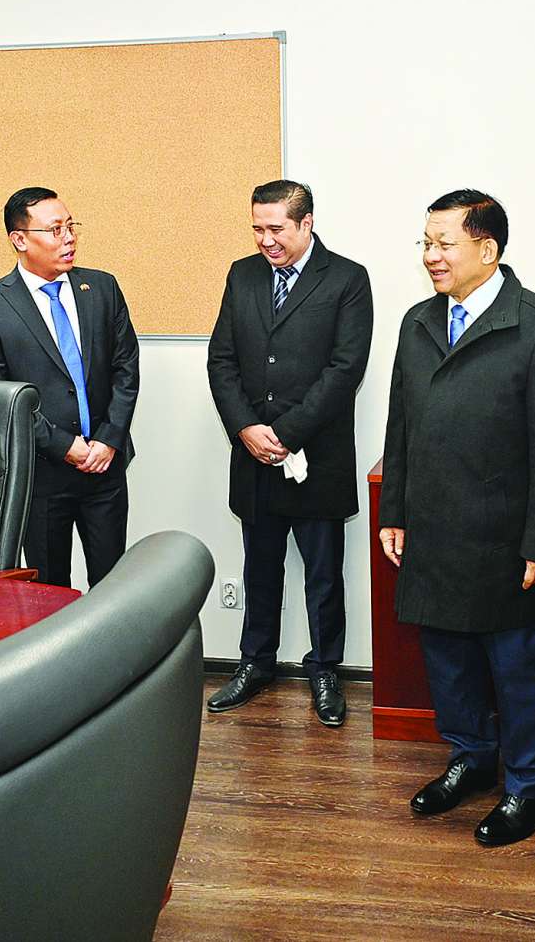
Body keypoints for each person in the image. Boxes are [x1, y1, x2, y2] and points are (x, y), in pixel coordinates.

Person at [379, 189, 535, 846]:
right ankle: (471, 757)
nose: (431, 256)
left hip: (504, 539)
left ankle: (531, 785)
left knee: (517, 668)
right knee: (448, 662)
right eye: (426, 243)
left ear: (487, 249)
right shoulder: (418, 322)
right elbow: (401, 424)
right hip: (433, 531)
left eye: (444, 243)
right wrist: (394, 510)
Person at [206, 180, 373, 726]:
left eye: (276, 228)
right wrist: (246, 429)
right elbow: (221, 360)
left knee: (323, 575)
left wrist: (286, 433)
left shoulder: (346, 279)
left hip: (316, 458)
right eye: (257, 229)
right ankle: (256, 663)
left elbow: (345, 370)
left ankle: (325, 669)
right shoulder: (243, 275)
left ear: (306, 223)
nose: (266, 240)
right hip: (253, 455)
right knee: (260, 568)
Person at [0, 186, 139, 589]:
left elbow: (126, 368)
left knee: (113, 590)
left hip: (105, 467)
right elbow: (0, 399)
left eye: (71, 226)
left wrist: (108, 439)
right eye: (55, 229)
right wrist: (63, 445)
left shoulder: (102, 289)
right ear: (20, 239)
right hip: (41, 476)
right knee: (49, 591)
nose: (69, 238)